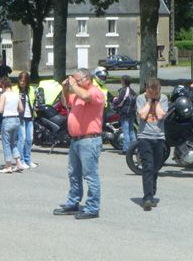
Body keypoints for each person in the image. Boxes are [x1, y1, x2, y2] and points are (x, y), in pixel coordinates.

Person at [52, 68, 104, 220]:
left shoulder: (94, 92)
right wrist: (65, 88)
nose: (75, 82)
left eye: (78, 79)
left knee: (90, 175)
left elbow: (86, 96)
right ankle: (73, 202)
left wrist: (73, 84)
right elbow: (65, 102)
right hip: (76, 140)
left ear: (87, 79)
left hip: (89, 140)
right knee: (74, 174)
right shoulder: (78, 93)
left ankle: (92, 207)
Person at [136, 78, 168, 211]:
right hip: (145, 137)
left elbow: (161, 115)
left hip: (159, 137)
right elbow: (142, 115)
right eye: (152, 92)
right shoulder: (140, 98)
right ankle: (147, 198)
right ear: (147, 90)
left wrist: (156, 100)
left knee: (156, 167)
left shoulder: (164, 98)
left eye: (157, 92)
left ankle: (152, 192)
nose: (155, 94)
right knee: (148, 167)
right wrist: (149, 101)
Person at [0, 76, 24, 173]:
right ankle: (18, 163)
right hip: (16, 120)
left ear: (3, 85)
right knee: (13, 142)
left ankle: (8, 166)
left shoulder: (4, 95)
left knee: (6, 143)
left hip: (7, 120)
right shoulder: (16, 94)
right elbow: (21, 109)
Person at [16, 71, 37, 170]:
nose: (22, 82)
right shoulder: (15, 90)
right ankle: (21, 160)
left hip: (30, 117)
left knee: (29, 139)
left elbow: (33, 102)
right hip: (20, 117)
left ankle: (28, 159)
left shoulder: (31, 90)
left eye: (24, 81)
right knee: (22, 139)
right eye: (21, 80)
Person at [113, 74, 137, 154]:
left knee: (125, 131)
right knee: (131, 130)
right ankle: (134, 148)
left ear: (123, 81)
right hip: (132, 112)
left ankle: (126, 149)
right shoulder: (132, 91)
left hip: (125, 112)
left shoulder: (123, 90)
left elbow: (119, 101)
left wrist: (114, 101)